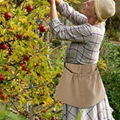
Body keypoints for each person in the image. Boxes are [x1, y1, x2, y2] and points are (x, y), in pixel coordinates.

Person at [48, 0, 116, 119]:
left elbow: (58, 31)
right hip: (83, 76)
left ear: (95, 13)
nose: (85, 2)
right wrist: (58, 1)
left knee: (79, 115)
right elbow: (72, 14)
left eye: (90, 4)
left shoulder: (90, 31)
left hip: (81, 81)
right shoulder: (96, 22)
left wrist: (52, 4)